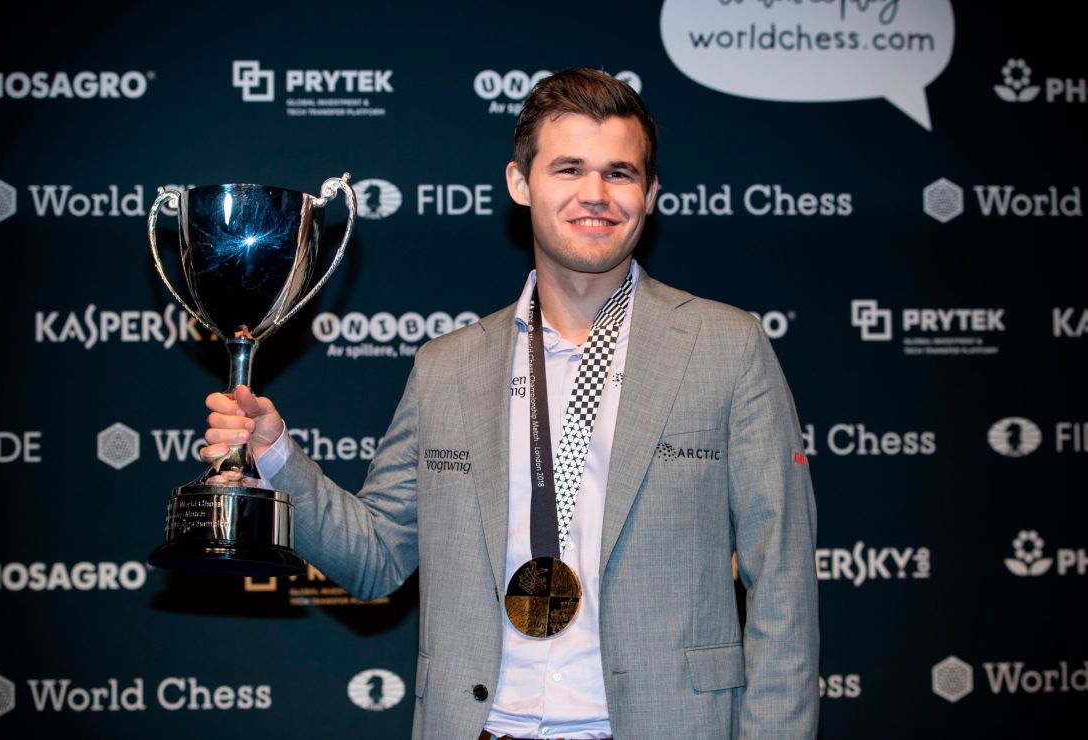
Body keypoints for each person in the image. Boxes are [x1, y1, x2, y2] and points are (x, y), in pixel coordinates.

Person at [201, 68, 818, 739]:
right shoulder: (448, 367)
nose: (595, 195)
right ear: (521, 185)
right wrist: (275, 457)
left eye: (620, 173)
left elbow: (782, 577)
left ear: (650, 193)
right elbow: (376, 560)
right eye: (569, 169)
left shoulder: (726, 346)